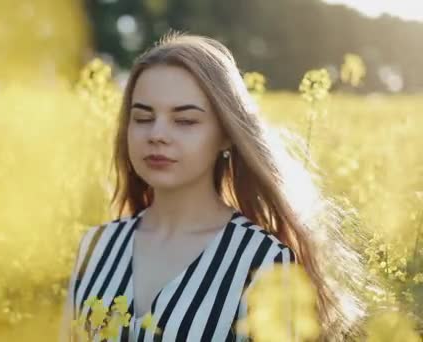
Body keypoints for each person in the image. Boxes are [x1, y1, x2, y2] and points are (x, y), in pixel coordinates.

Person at [59, 31, 367, 341]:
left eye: (185, 121)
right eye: (142, 118)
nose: (157, 134)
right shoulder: (95, 247)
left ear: (226, 134)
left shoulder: (265, 262)